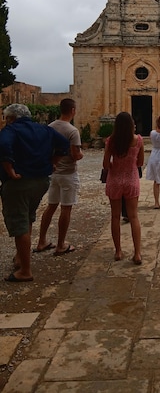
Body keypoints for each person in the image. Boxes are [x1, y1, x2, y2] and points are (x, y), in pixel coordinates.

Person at [0, 104, 69, 282]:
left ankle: (25, 270)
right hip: (41, 181)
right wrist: (54, 161)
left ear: (11, 118)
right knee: (28, 217)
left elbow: (3, 146)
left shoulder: (11, 130)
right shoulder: (43, 129)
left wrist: (9, 168)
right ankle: (19, 257)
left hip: (19, 182)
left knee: (19, 222)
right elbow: (64, 144)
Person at [34, 99, 83, 255]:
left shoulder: (49, 127)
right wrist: (81, 154)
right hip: (68, 173)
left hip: (53, 173)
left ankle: (42, 241)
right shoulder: (72, 131)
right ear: (73, 110)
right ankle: (61, 244)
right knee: (66, 209)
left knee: (51, 206)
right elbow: (75, 155)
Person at [103, 112, 144, 264]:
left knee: (115, 216)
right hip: (131, 180)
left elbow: (106, 165)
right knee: (133, 217)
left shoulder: (111, 141)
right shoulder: (138, 140)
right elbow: (139, 163)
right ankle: (137, 253)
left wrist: (116, 166)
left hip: (114, 180)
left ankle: (118, 251)